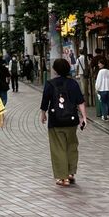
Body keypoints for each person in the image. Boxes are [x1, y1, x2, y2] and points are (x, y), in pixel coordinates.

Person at [40, 58, 87, 187]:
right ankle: (71, 173)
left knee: (58, 148)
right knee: (71, 146)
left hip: (55, 121)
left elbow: (45, 101)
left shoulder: (50, 84)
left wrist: (43, 114)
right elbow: (80, 101)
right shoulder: (73, 83)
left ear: (55, 70)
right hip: (71, 120)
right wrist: (84, 117)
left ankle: (63, 177)